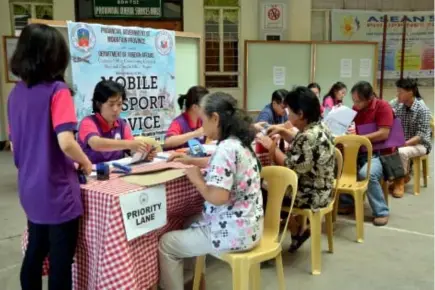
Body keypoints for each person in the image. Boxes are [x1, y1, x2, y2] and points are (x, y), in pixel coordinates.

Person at [7, 23, 93, 289]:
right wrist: (86, 162)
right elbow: (66, 142)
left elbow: (13, 145)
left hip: (29, 187)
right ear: (55, 56)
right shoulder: (58, 91)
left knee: (35, 252)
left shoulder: (15, 94)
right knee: (60, 263)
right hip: (57, 191)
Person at [159, 92, 264, 290]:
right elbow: (218, 163)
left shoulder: (225, 148)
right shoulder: (239, 143)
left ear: (215, 118)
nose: (202, 127)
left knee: (166, 244)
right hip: (251, 226)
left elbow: (217, 197)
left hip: (233, 233)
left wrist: (197, 180)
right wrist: (190, 160)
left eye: (203, 121)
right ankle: (193, 285)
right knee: (189, 221)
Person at [257, 86, 335, 252]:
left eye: (290, 111)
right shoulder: (320, 127)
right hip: (324, 186)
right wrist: (284, 132)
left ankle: (269, 240)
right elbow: (306, 148)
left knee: (263, 188)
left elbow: (289, 168)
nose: (287, 115)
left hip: (312, 193)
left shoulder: (308, 136)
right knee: (268, 186)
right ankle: (296, 229)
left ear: (300, 114)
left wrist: (272, 148)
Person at [339, 81, 392, 226]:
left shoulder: (383, 107)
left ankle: (381, 211)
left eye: (359, 101)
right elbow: (349, 126)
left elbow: (384, 133)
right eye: (354, 100)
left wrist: (360, 137)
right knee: (339, 167)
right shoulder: (356, 109)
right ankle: (347, 202)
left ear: (369, 99)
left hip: (377, 153)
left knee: (366, 174)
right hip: (357, 152)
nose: (355, 104)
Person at [78, 80, 154, 164]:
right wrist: (129, 144)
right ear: (99, 104)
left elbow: (131, 149)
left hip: (117, 171)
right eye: (111, 104)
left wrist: (142, 154)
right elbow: (96, 144)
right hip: (92, 173)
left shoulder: (122, 124)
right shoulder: (88, 122)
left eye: (119, 104)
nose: (115, 109)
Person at [390, 78, 432, 197]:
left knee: (401, 152)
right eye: (397, 91)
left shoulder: (422, 109)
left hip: (421, 144)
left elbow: (422, 135)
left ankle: (400, 182)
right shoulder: (399, 105)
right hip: (404, 141)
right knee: (386, 148)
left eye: (400, 92)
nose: (397, 94)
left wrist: (405, 143)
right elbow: (388, 110)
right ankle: (401, 175)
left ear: (411, 92)